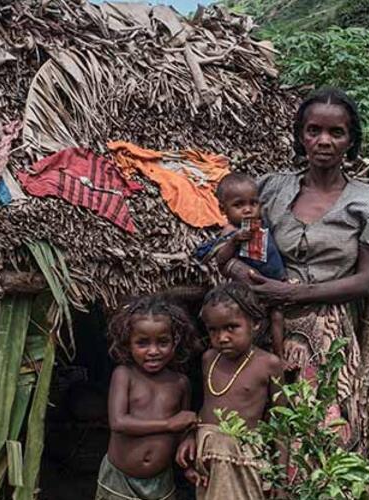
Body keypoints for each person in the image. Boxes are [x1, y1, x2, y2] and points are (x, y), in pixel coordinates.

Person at [228, 87, 369, 453]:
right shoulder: (269, 189)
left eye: (336, 133)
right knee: (260, 428)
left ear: (350, 141)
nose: (323, 141)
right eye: (313, 130)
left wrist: (293, 293)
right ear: (300, 135)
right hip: (262, 322)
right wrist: (241, 273)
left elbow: (366, 280)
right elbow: (228, 242)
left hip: (328, 331)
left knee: (324, 432)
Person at [176, 283, 285, 500]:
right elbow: (206, 406)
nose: (222, 337)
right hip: (208, 455)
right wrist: (189, 436)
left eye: (231, 327)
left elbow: (281, 423)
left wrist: (279, 479)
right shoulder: (209, 358)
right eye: (213, 330)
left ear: (254, 324)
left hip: (245, 458)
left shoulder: (268, 364)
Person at [99, 295, 198, 500]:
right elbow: (118, 422)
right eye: (142, 343)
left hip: (161, 483)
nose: (153, 351)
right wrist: (168, 424)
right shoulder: (124, 374)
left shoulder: (180, 383)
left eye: (163, 342)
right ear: (128, 343)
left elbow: (182, 427)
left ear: (175, 342)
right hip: (119, 481)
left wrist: (188, 442)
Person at [193, 172, 288, 354]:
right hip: (249, 288)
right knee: (244, 319)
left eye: (253, 203)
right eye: (239, 205)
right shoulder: (230, 232)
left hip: (276, 282)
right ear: (223, 210)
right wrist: (234, 241)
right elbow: (221, 259)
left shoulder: (263, 224)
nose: (248, 209)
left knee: (277, 316)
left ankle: (279, 355)